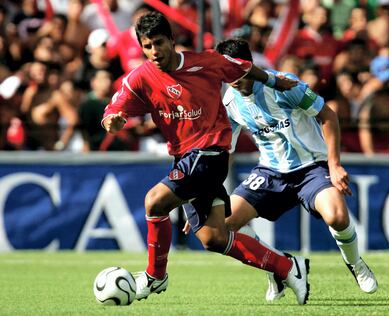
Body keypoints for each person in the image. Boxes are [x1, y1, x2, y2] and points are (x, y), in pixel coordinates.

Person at [102, 12, 310, 305]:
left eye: (159, 43)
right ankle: (287, 267)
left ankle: (154, 275)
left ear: (172, 40)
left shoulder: (206, 62)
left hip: (209, 154)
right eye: (147, 46)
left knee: (154, 201)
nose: (154, 52)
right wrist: (112, 120)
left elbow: (244, 68)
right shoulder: (140, 78)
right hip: (185, 158)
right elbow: (114, 108)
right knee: (213, 237)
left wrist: (275, 81)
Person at [214, 38, 378, 301]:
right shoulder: (229, 102)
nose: (233, 79)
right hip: (270, 172)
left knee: (336, 215)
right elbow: (226, 151)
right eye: (226, 72)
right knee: (222, 225)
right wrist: (209, 192)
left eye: (238, 71)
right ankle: (276, 267)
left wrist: (334, 164)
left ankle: (356, 264)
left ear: (251, 66)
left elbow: (328, 116)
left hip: (311, 166)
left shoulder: (282, 84)